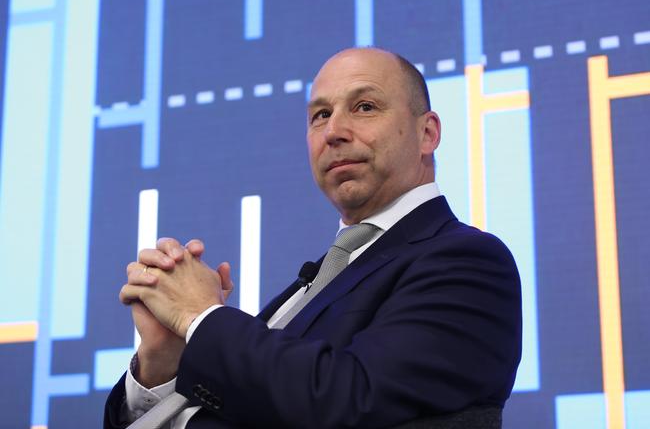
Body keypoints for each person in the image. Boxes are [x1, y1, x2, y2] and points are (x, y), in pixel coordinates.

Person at [104, 47, 522, 428]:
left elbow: (344, 402)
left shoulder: (468, 261)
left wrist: (200, 317)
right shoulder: (325, 274)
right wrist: (164, 361)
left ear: (427, 133)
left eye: (364, 106)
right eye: (320, 115)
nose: (333, 131)